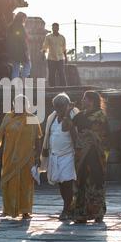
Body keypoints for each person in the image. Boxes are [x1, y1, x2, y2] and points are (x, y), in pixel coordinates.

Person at [0, 95, 43, 220]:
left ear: (26, 105)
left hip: (27, 156)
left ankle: (25, 210)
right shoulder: (8, 116)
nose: (19, 106)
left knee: (26, 182)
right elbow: (0, 133)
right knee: (7, 181)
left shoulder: (32, 118)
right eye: (17, 103)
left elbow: (38, 138)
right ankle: (7, 209)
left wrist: (38, 156)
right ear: (14, 104)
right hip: (9, 155)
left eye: (22, 103)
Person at [70, 91, 109, 223]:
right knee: (81, 180)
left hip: (95, 153)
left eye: (84, 98)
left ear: (91, 101)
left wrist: (90, 134)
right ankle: (81, 212)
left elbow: (105, 135)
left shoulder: (100, 116)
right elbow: (67, 127)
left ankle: (97, 211)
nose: (82, 101)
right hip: (81, 153)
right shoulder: (80, 115)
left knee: (95, 180)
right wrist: (67, 112)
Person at [40, 93, 80, 221]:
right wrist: (44, 151)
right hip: (54, 155)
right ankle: (69, 206)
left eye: (61, 107)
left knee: (67, 182)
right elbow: (47, 135)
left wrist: (67, 115)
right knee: (61, 184)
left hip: (68, 155)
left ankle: (66, 209)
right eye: (57, 107)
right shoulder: (52, 118)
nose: (59, 110)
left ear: (67, 106)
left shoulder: (73, 117)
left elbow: (74, 135)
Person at [7, 12, 31, 79]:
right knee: (28, 65)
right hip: (20, 50)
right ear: (22, 18)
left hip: (13, 50)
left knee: (15, 68)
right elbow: (22, 39)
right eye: (24, 18)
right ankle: (24, 78)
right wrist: (26, 50)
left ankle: (15, 84)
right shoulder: (20, 27)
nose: (25, 20)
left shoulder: (10, 26)